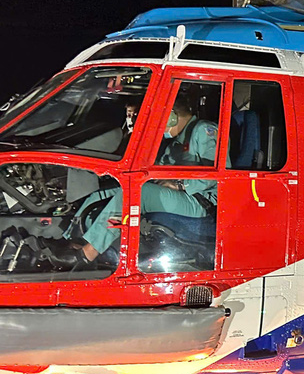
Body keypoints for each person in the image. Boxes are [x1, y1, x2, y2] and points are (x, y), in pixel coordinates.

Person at [48, 88, 219, 269]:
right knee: (104, 192)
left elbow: (215, 175)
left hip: (200, 200)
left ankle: (87, 254)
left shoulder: (204, 131)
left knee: (137, 193)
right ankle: (70, 240)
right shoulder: (177, 141)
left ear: (171, 117)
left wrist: (179, 184)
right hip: (177, 192)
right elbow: (156, 167)